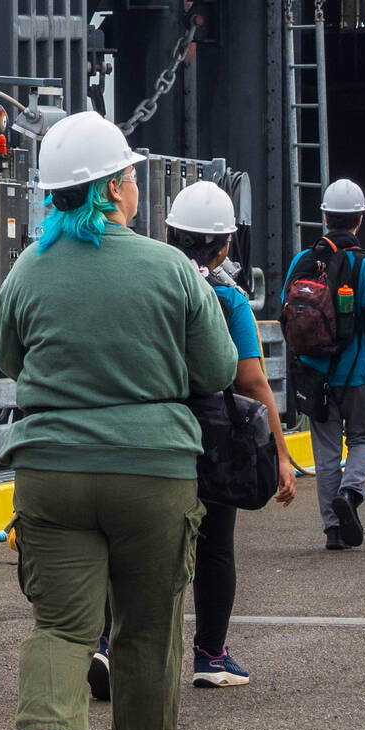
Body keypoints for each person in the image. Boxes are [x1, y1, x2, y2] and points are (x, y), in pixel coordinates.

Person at [0, 113, 237, 730]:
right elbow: (215, 369)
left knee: (62, 624)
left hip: (51, 471)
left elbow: (10, 357)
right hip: (153, 472)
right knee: (148, 636)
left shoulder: (27, 270)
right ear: (114, 188)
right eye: (129, 175)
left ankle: (43, 729)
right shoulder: (171, 268)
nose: (133, 185)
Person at [90, 180, 296, 697]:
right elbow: (250, 381)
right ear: (225, 245)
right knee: (215, 547)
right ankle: (211, 656)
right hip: (213, 440)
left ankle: (108, 646)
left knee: (129, 545)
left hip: (146, 431)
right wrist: (283, 455)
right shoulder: (228, 299)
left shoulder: (145, 280)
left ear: (168, 232)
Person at [284, 177, 365, 551]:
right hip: (356, 371)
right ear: (359, 219)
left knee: (326, 451)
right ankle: (351, 490)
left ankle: (333, 530)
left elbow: (289, 315)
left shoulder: (302, 261)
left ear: (326, 217)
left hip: (313, 373)